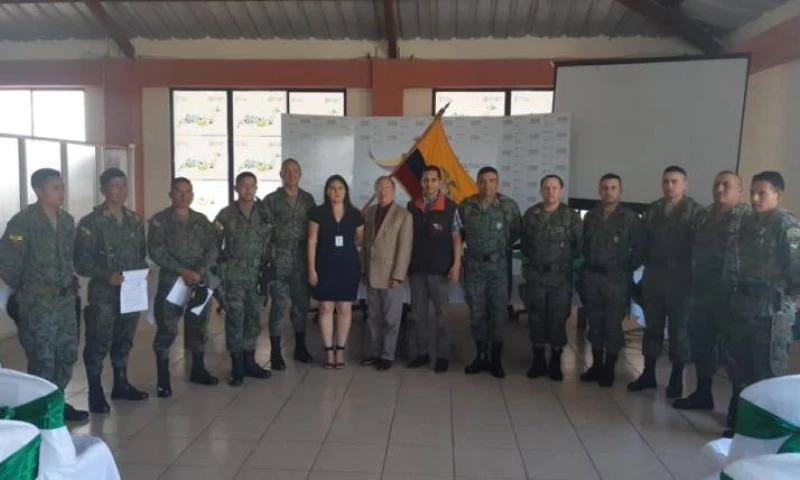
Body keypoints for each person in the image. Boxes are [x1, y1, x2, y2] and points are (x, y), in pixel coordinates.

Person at [0, 169, 88, 421]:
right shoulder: (23, 222)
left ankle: (56, 403)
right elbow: (7, 263)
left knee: (67, 354)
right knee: (43, 359)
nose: (62, 192)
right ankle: (40, 411)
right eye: (55, 188)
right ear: (38, 191)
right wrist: (27, 289)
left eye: (62, 187)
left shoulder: (67, 221)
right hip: (36, 303)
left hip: (64, 301)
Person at [723, 171, 799, 437]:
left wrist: (787, 305)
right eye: (752, 192)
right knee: (739, 365)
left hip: (771, 311)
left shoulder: (786, 226)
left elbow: (797, 273)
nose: (755, 198)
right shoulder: (747, 222)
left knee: (766, 369)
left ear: (777, 195)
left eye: (762, 193)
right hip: (744, 306)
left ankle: (764, 428)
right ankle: (740, 420)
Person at [73, 168, 149, 414]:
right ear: (104, 190)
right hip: (104, 294)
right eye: (116, 186)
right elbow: (81, 262)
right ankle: (95, 391)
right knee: (98, 341)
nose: (121, 191)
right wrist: (107, 275)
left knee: (124, 338)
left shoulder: (134, 220)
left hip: (131, 292)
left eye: (124, 186)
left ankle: (121, 383)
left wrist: (143, 270)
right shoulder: (90, 222)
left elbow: (141, 253)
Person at [673, 171, 749, 412]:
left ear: (740, 191)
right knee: (702, 345)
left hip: (731, 296)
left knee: (734, 352)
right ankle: (702, 394)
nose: (720, 189)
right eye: (716, 184)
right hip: (702, 293)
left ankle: (736, 407)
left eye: (726, 185)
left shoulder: (748, 218)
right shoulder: (703, 216)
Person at [628, 166, 700, 398]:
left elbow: (700, 249)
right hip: (655, 277)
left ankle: (676, 376)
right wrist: (631, 268)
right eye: (666, 181)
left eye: (674, 182)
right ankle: (648, 373)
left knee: (679, 330)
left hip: (682, 280)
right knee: (653, 328)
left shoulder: (696, 212)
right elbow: (642, 243)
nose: (669, 186)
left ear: (685, 185)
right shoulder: (653, 210)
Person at [148, 177, 219, 397]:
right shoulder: (160, 221)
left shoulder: (201, 220)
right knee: (167, 329)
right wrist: (183, 271)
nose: (184, 196)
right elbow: (156, 251)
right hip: (172, 283)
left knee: (198, 327)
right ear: (171, 194)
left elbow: (213, 248)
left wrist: (199, 271)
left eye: (188, 192)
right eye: (179, 191)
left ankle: (198, 369)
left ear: (193, 195)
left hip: (199, 282)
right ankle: (163, 379)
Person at [579, 174, 643, 387]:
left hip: (617, 279)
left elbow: (640, 249)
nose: (608, 192)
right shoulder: (591, 216)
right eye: (605, 188)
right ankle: (596, 364)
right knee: (595, 323)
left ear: (620, 191)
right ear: (599, 191)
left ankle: (609, 367)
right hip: (593, 278)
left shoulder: (630, 218)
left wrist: (625, 268)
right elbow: (584, 244)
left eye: (613, 188)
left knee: (613, 325)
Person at [460, 166, 521, 378]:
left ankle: (495, 359)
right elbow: (459, 233)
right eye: (483, 181)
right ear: (477, 183)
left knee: (499, 313)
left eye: (492, 180)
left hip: (498, 269)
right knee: (477, 313)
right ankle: (481, 355)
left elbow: (515, 233)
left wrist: (495, 249)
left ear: (497, 182)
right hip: (474, 268)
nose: (487, 185)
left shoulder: (508, 206)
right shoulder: (466, 205)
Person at [521, 174, 582, 381]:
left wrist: (560, 261)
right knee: (536, 318)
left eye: (555, 187)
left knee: (558, 319)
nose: (550, 191)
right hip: (536, 277)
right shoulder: (531, 214)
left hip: (560, 278)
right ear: (541, 190)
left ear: (561, 190)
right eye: (546, 187)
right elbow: (525, 245)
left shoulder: (571, 216)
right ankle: (538, 361)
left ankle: (556, 362)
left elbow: (579, 245)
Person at [214, 172, 273, 386]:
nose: (248, 190)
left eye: (252, 186)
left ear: (256, 188)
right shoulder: (226, 214)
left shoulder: (264, 213)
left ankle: (249, 361)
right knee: (235, 319)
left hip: (257, 275)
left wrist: (269, 271)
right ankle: (237, 366)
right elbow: (214, 245)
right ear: (236, 188)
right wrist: (219, 273)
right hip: (234, 275)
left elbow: (270, 242)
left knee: (253, 320)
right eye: (244, 185)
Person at [261, 159, 316, 370]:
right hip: (279, 260)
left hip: (302, 260)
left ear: (300, 174)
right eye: (287, 171)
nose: (291, 175)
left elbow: (314, 229)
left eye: (295, 171)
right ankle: (275, 352)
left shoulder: (308, 199)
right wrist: (266, 260)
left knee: (301, 306)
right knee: (278, 306)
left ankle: (300, 347)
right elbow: (264, 233)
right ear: (281, 174)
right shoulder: (271, 200)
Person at [406, 166, 463, 373]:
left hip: (440, 270)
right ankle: (422, 353)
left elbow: (456, 238)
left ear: (440, 182)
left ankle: (443, 356)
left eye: (433, 180)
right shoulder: (412, 206)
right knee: (418, 315)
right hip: (417, 270)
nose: (429, 184)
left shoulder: (451, 207)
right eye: (425, 180)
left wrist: (456, 264)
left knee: (442, 315)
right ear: (421, 182)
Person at [307, 175, 364, 369]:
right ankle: (328, 352)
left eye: (340, 188)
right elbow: (312, 242)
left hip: (348, 267)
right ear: (326, 191)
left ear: (346, 191)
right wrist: (311, 269)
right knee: (325, 308)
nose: (336, 192)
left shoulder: (355, 214)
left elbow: (359, 239)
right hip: (324, 266)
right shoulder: (317, 213)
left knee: (344, 308)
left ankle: (340, 351)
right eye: (332, 188)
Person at [360, 176, 413, 371]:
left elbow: (405, 248)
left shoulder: (403, 215)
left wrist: (398, 275)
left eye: (386, 188)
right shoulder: (369, 212)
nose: (383, 191)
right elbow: (365, 245)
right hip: (371, 275)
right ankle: (375, 353)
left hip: (391, 275)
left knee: (391, 319)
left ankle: (387, 355)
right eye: (379, 188)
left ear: (393, 190)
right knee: (373, 318)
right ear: (375, 190)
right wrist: (363, 270)